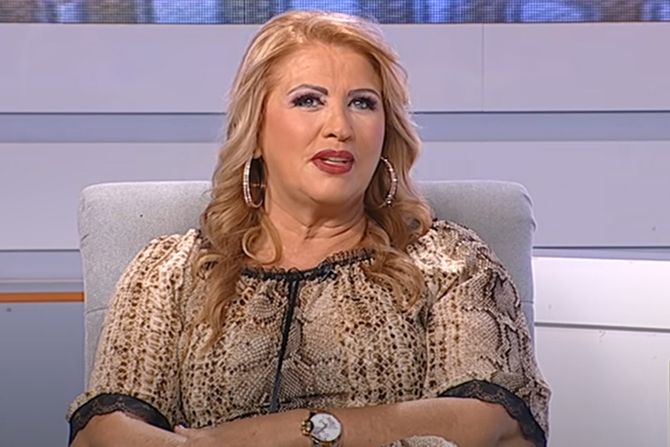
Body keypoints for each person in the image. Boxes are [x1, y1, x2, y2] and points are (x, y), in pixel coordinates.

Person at [66, 10, 550, 447]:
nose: (339, 126)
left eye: (363, 103)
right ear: (256, 131)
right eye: (308, 100)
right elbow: (103, 429)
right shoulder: (172, 270)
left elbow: (492, 421)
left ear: (386, 133)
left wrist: (300, 431)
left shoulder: (448, 262)